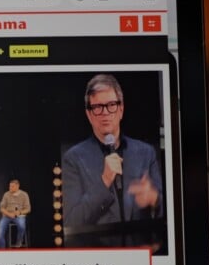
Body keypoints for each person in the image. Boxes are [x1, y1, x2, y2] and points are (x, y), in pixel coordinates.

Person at [61, 74, 163, 241]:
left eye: (111, 105)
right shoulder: (73, 158)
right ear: (89, 114)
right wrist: (104, 182)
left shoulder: (146, 153)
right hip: (100, 255)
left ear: (121, 109)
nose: (105, 113)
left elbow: (171, 214)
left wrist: (155, 200)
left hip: (140, 252)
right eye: (97, 107)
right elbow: (71, 222)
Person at [0, 179, 31, 248]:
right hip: (7, 215)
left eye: (12, 186)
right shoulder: (6, 194)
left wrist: (20, 212)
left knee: (22, 226)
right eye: (10, 186)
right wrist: (9, 214)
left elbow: (28, 209)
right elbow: (2, 208)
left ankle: (19, 241)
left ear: (18, 186)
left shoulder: (24, 194)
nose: (10, 188)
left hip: (19, 216)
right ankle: (2, 250)